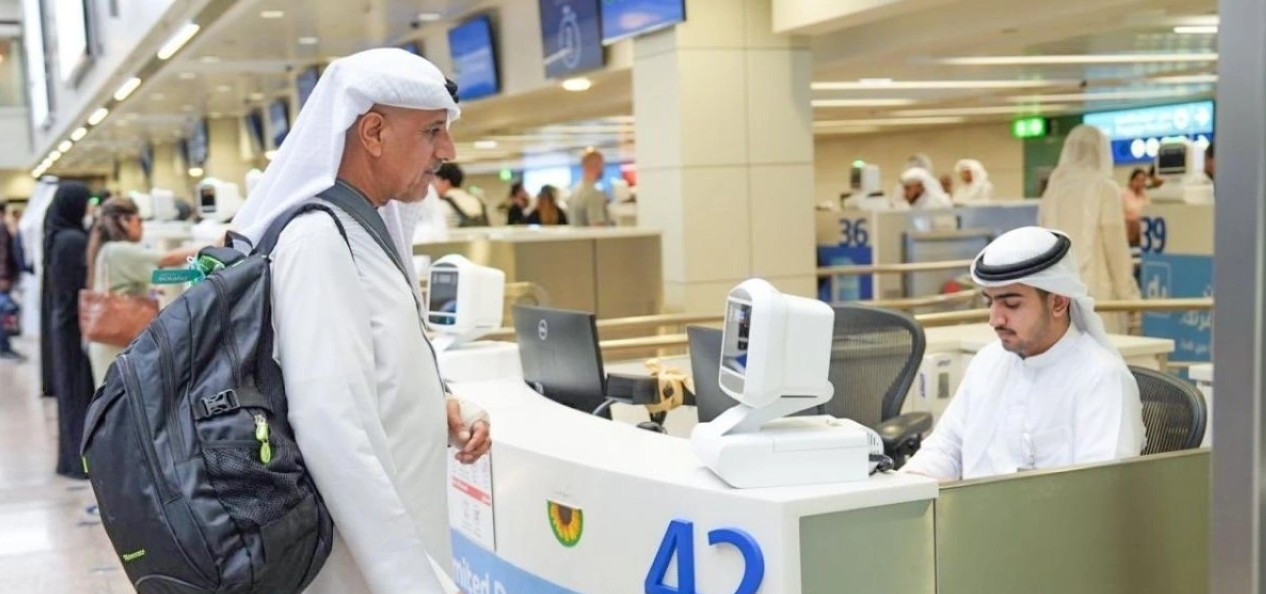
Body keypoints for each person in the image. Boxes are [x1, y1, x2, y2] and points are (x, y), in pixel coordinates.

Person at [230, 48, 490, 594]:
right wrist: (407, 579)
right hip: (368, 569)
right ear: (373, 132)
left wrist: (439, 404)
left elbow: (373, 373)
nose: (448, 151)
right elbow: (332, 428)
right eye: (432, 131)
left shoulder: (359, 229)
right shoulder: (318, 240)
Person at [902, 227, 1146, 482]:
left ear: (1058, 303)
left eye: (1011, 304)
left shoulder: (1102, 379)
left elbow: (1100, 492)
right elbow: (945, 448)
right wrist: (908, 485)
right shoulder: (987, 361)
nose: (995, 319)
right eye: (990, 302)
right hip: (974, 505)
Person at [84, 197, 201, 387]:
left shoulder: (106, 249)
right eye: (139, 220)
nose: (142, 226)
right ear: (124, 221)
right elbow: (168, 260)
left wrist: (193, 275)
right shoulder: (120, 250)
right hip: (117, 339)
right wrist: (211, 248)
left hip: (108, 340)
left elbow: (155, 276)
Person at [1037, 125, 1139, 333]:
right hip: (1097, 296)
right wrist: (1131, 300)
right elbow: (1116, 250)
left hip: (1057, 295)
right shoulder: (1105, 188)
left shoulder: (1053, 190)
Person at [42, 182, 96, 479]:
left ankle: (73, 461)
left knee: (72, 396)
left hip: (65, 326)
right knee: (79, 394)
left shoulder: (59, 237)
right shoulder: (73, 241)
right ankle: (81, 462)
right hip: (75, 327)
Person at [433, 162, 488, 227]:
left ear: (446, 182)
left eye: (434, 181)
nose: (431, 186)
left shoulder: (442, 204)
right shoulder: (476, 200)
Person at [0, 202, 23, 361]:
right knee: (4, 312)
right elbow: (2, 253)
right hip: (2, 279)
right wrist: (3, 276)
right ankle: (4, 347)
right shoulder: (2, 227)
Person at [570, 149, 611, 227]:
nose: (604, 169)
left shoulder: (576, 189)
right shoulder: (594, 193)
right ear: (596, 164)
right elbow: (597, 227)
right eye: (603, 165)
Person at [1122, 169, 1150, 247]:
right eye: (1138, 180)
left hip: (1142, 235)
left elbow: (1148, 211)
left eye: (1143, 180)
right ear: (1131, 180)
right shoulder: (1122, 194)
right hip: (1127, 233)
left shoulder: (1144, 195)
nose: (1140, 183)